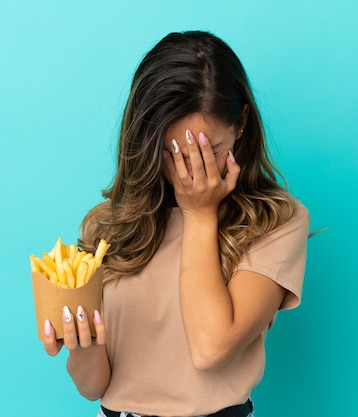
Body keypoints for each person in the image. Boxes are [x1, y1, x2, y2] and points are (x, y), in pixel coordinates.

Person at [42, 30, 310, 417]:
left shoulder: (277, 223)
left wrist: (200, 212)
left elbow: (210, 349)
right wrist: (84, 344)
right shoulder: (108, 227)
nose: (188, 171)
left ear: (241, 125)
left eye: (207, 151)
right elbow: (94, 386)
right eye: (172, 152)